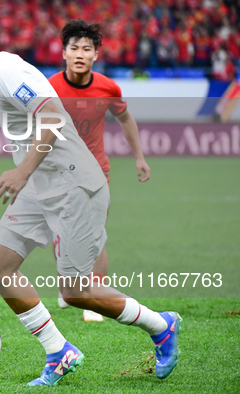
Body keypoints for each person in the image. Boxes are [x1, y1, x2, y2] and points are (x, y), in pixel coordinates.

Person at [0, 16, 180, 386]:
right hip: (41, 187)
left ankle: (161, 325)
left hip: (73, 186)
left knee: (76, 291)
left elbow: (51, 117)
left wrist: (20, 173)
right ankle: (59, 351)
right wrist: (27, 175)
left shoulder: (5, 70)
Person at [48, 19, 151, 322]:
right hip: (58, 172)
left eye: (87, 49)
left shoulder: (108, 87)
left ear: (95, 55)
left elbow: (126, 119)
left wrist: (139, 157)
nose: (80, 54)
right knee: (62, 231)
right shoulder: (49, 87)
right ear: (63, 53)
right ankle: (70, 284)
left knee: (95, 234)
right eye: (74, 48)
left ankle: (95, 289)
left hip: (95, 172)